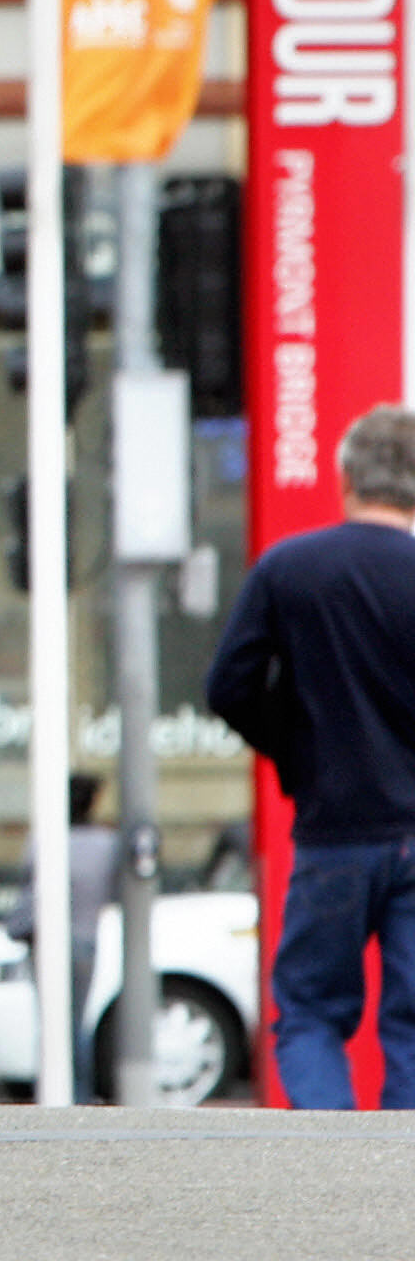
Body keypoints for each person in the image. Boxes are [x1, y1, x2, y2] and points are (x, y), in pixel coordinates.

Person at [206, 400, 415, 1109]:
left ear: (346, 477)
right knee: (413, 1024)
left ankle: (327, 1157)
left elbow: (229, 686)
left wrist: (297, 750)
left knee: (309, 1011)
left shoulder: (290, 568)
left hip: (333, 831)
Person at [7, 774, 119, 1086]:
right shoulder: (107, 843)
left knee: (52, 1025)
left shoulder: (44, 839)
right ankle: (78, 1092)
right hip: (85, 940)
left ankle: (54, 1088)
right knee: (77, 1023)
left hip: (46, 944)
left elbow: (28, 889)